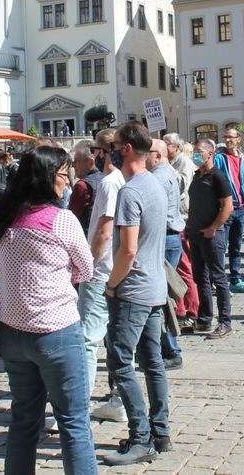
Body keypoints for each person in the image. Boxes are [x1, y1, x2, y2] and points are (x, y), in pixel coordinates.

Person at [0, 146, 96, 474]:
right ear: (49, 177)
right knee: (74, 422)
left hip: (12, 332)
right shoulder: (61, 220)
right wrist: (66, 276)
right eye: (65, 174)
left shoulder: (6, 217)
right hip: (56, 333)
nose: (68, 181)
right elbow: (86, 268)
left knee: (23, 419)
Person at [102, 121, 171, 467]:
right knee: (153, 362)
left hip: (133, 289)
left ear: (127, 149)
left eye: (114, 145)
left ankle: (141, 437)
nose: (110, 151)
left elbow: (127, 250)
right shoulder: (155, 184)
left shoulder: (130, 192)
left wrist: (112, 285)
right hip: (154, 286)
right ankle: (160, 431)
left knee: (120, 363)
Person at [80, 129, 128, 424]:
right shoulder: (124, 179)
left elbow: (105, 229)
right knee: (116, 339)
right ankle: (119, 400)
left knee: (87, 339)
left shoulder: (111, 182)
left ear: (103, 152)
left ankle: (77, 404)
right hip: (117, 268)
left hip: (102, 270)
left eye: (96, 151)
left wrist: (89, 264)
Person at [186, 138, 233, 339]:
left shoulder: (218, 177)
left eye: (199, 151)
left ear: (210, 153)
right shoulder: (197, 176)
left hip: (212, 235)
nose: (196, 155)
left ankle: (225, 322)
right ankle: (205, 318)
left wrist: (214, 227)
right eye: (194, 151)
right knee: (200, 278)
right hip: (195, 233)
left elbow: (228, 206)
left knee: (218, 278)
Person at [147, 139, 186, 369]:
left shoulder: (159, 177)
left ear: (158, 156)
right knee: (163, 296)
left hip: (165, 237)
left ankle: (171, 350)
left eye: (147, 152)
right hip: (170, 237)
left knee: (162, 298)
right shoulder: (166, 172)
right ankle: (165, 348)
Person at [217, 128, 244, 294]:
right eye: (225, 137)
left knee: (236, 246)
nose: (227, 140)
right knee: (221, 247)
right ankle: (220, 282)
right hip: (226, 209)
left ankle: (236, 278)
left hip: (241, 208)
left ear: (238, 139)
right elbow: (215, 181)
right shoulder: (220, 158)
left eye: (230, 137)